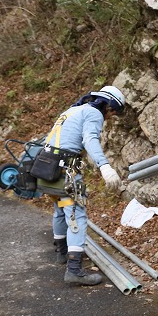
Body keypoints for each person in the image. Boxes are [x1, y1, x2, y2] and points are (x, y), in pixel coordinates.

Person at [43, 85, 125, 285]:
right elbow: (90, 139)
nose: (111, 117)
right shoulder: (93, 113)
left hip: (46, 169)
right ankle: (74, 270)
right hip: (67, 170)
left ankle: (62, 253)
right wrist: (104, 166)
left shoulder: (71, 110)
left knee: (60, 209)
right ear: (108, 105)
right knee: (77, 215)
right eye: (113, 112)